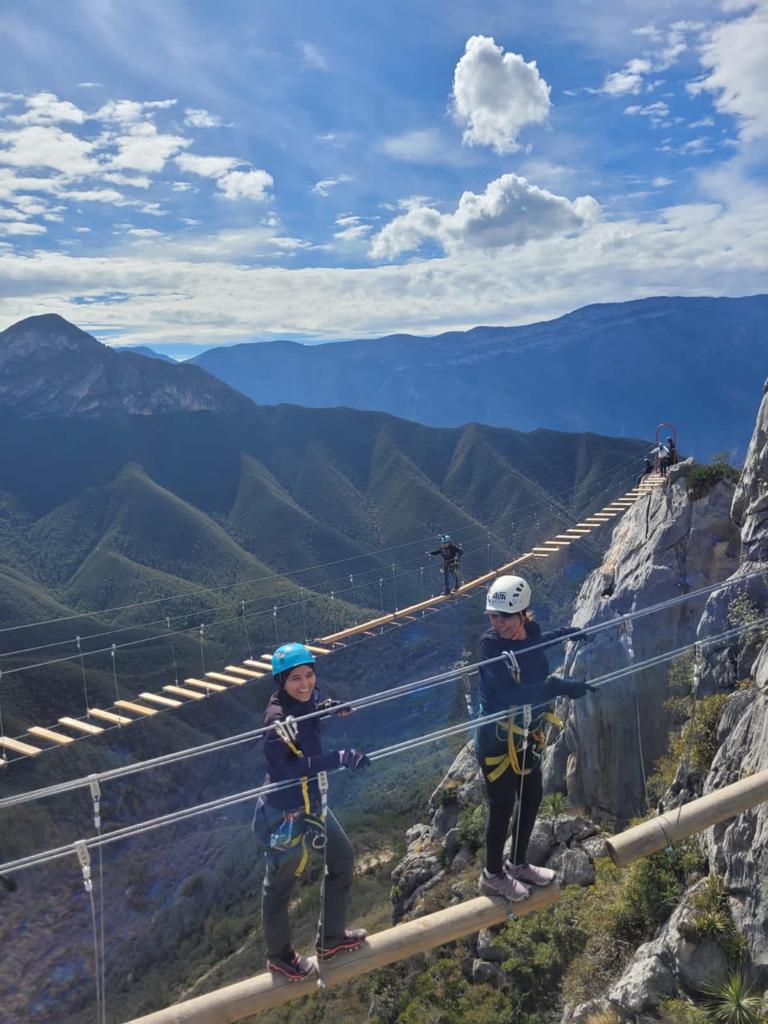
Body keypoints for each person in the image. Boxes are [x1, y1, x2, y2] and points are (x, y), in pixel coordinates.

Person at [475, 575, 594, 901]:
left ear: (523, 613)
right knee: (502, 806)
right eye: (493, 617)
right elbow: (512, 693)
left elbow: (533, 646)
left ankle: (517, 863)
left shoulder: (534, 632)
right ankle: (492, 874)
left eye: (505, 617)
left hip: (529, 732)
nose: (498, 623)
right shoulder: (490, 646)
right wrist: (559, 686)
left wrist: (566, 634)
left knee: (531, 795)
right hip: (496, 737)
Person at [257, 642, 369, 980]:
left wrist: (324, 707)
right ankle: (279, 956)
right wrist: (342, 757)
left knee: (342, 858)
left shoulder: (301, 705)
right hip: (285, 811)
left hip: (311, 804)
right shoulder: (276, 721)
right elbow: (294, 766)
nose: (305, 684)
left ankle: (330, 938)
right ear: (281, 682)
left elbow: (304, 721)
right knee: (278, 885)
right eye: (295, 679)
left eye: (309, 676)